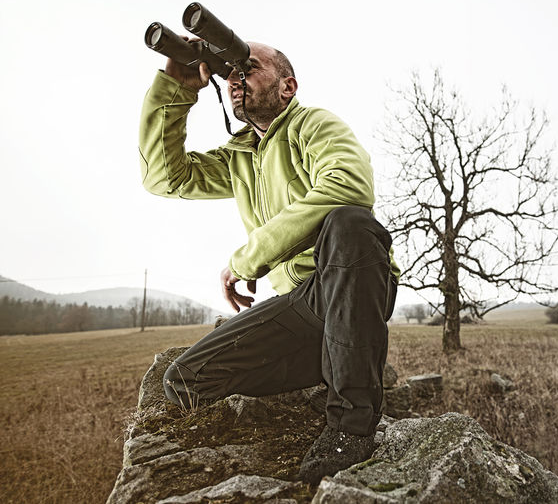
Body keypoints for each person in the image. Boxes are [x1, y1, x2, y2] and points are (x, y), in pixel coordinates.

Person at [138, 41, 400, 484]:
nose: (236, 77)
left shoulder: (314, 124)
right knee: (186, 379)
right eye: (231, 70)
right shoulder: (239, 156)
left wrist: (247, 260)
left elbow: (348, 187)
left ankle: (350, 426)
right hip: (301, 303)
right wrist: (175, 89)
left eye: (250, 67)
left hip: (349, 281)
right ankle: (337, 358)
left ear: (287, 86)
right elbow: (164, 177)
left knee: (350, 224)